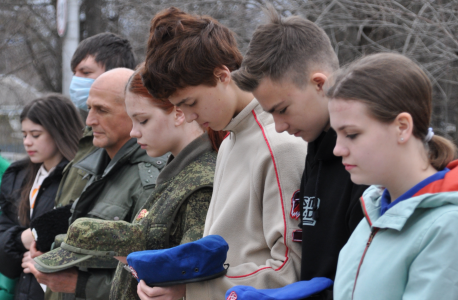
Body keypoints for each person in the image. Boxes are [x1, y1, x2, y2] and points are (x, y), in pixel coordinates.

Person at [140, 7, 307, 300]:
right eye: (179, 107)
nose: (189, 116)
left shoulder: (280, 144)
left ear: (222, 75)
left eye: (191, 102)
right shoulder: (230, 139)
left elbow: (290, 269)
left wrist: (191, 290)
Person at [31, 65, 225, 300]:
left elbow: (198, 274)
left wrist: (182, 291)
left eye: (142, 120)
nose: (134, 132)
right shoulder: (174, 174)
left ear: (178, 112)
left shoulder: (198, 183)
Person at [231, 7, 367, 298]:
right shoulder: (314, 146)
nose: (278, 127)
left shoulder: (368, 163)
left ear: (319, 83)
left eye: (282, 110)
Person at [26, 68, 168, 300]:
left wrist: (81, 285)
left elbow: (155, 278)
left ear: (134, 111)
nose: (90, 120)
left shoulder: (150, 179)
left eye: (102, 110)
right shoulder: (92, 163)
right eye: (89, 108)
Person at [326, 53, 458, 300]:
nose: (337, 149)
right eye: (336, 134)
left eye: (351, 134)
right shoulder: (374, 211)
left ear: (402, 127)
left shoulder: (448, 226)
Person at [0, 95, 84, 300]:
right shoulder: (17, 176)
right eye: (24, 134)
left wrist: (40, 246)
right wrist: (24, 238)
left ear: (59, 132)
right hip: (22, 288)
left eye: (36, 134)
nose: (27, 142)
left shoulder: (82, 177)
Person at [57, 32, 136, 213]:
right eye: (74, 73)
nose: (75, 80)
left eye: (85, 72)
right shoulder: (90, 134)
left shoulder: (121, 140)